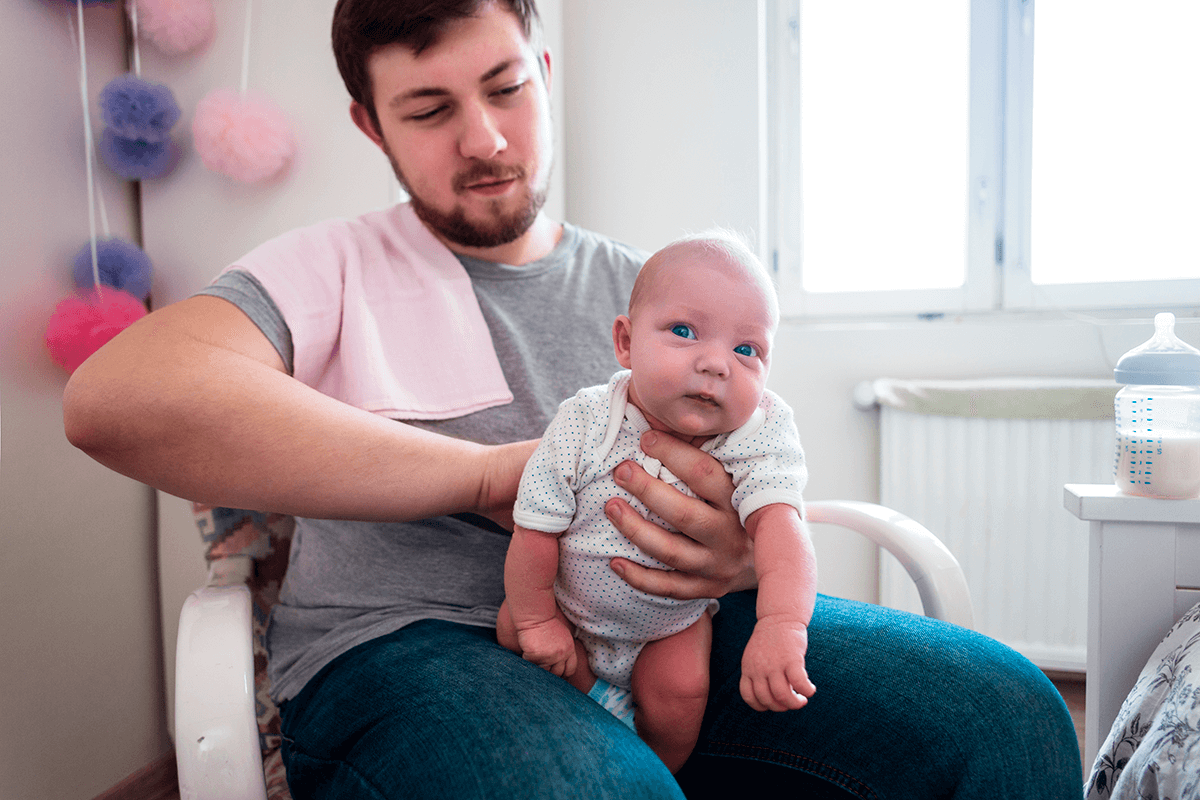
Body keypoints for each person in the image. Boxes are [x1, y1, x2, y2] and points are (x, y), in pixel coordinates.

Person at [62, 0, 1084, 797]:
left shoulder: (661, 296)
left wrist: (739, 555)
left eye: (506, 89)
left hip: (674, 624)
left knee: (1007, 713)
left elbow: (762, 471)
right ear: (369, 124)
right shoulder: (325, 269)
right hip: (408, 648)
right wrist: (485, 473)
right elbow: (118, 399)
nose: (487, 141)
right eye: (430, 110)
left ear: (544, 76)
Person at [497, 232, 816, 773]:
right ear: (625, 342)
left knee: (683, 694)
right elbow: (534, 528)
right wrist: (536, 621)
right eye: (684, 332)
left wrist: (782, 627)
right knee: (514, 627)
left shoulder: (758, 430)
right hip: (570, 606)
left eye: (747, 350)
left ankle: (660, 770)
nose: (717, 363)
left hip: (669, 623)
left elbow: (783, 529)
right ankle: (594, 695)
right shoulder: (589, 419)